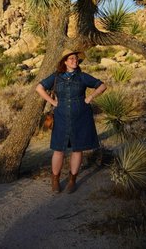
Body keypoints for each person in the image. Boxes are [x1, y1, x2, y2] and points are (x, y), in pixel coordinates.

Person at [36, 49, 107, 194]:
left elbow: (102, 85)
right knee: (58, 149)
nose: (75, 61)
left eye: (76, 59)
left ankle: (72, 180)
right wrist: (52, 102)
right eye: (72, 59)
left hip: (81, 117)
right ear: (65, 62)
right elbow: (39, 88)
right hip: (61, 116)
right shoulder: (56, 77)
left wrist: (90, 97)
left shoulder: (82, 77)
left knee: (77, 149)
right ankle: (55, 180)